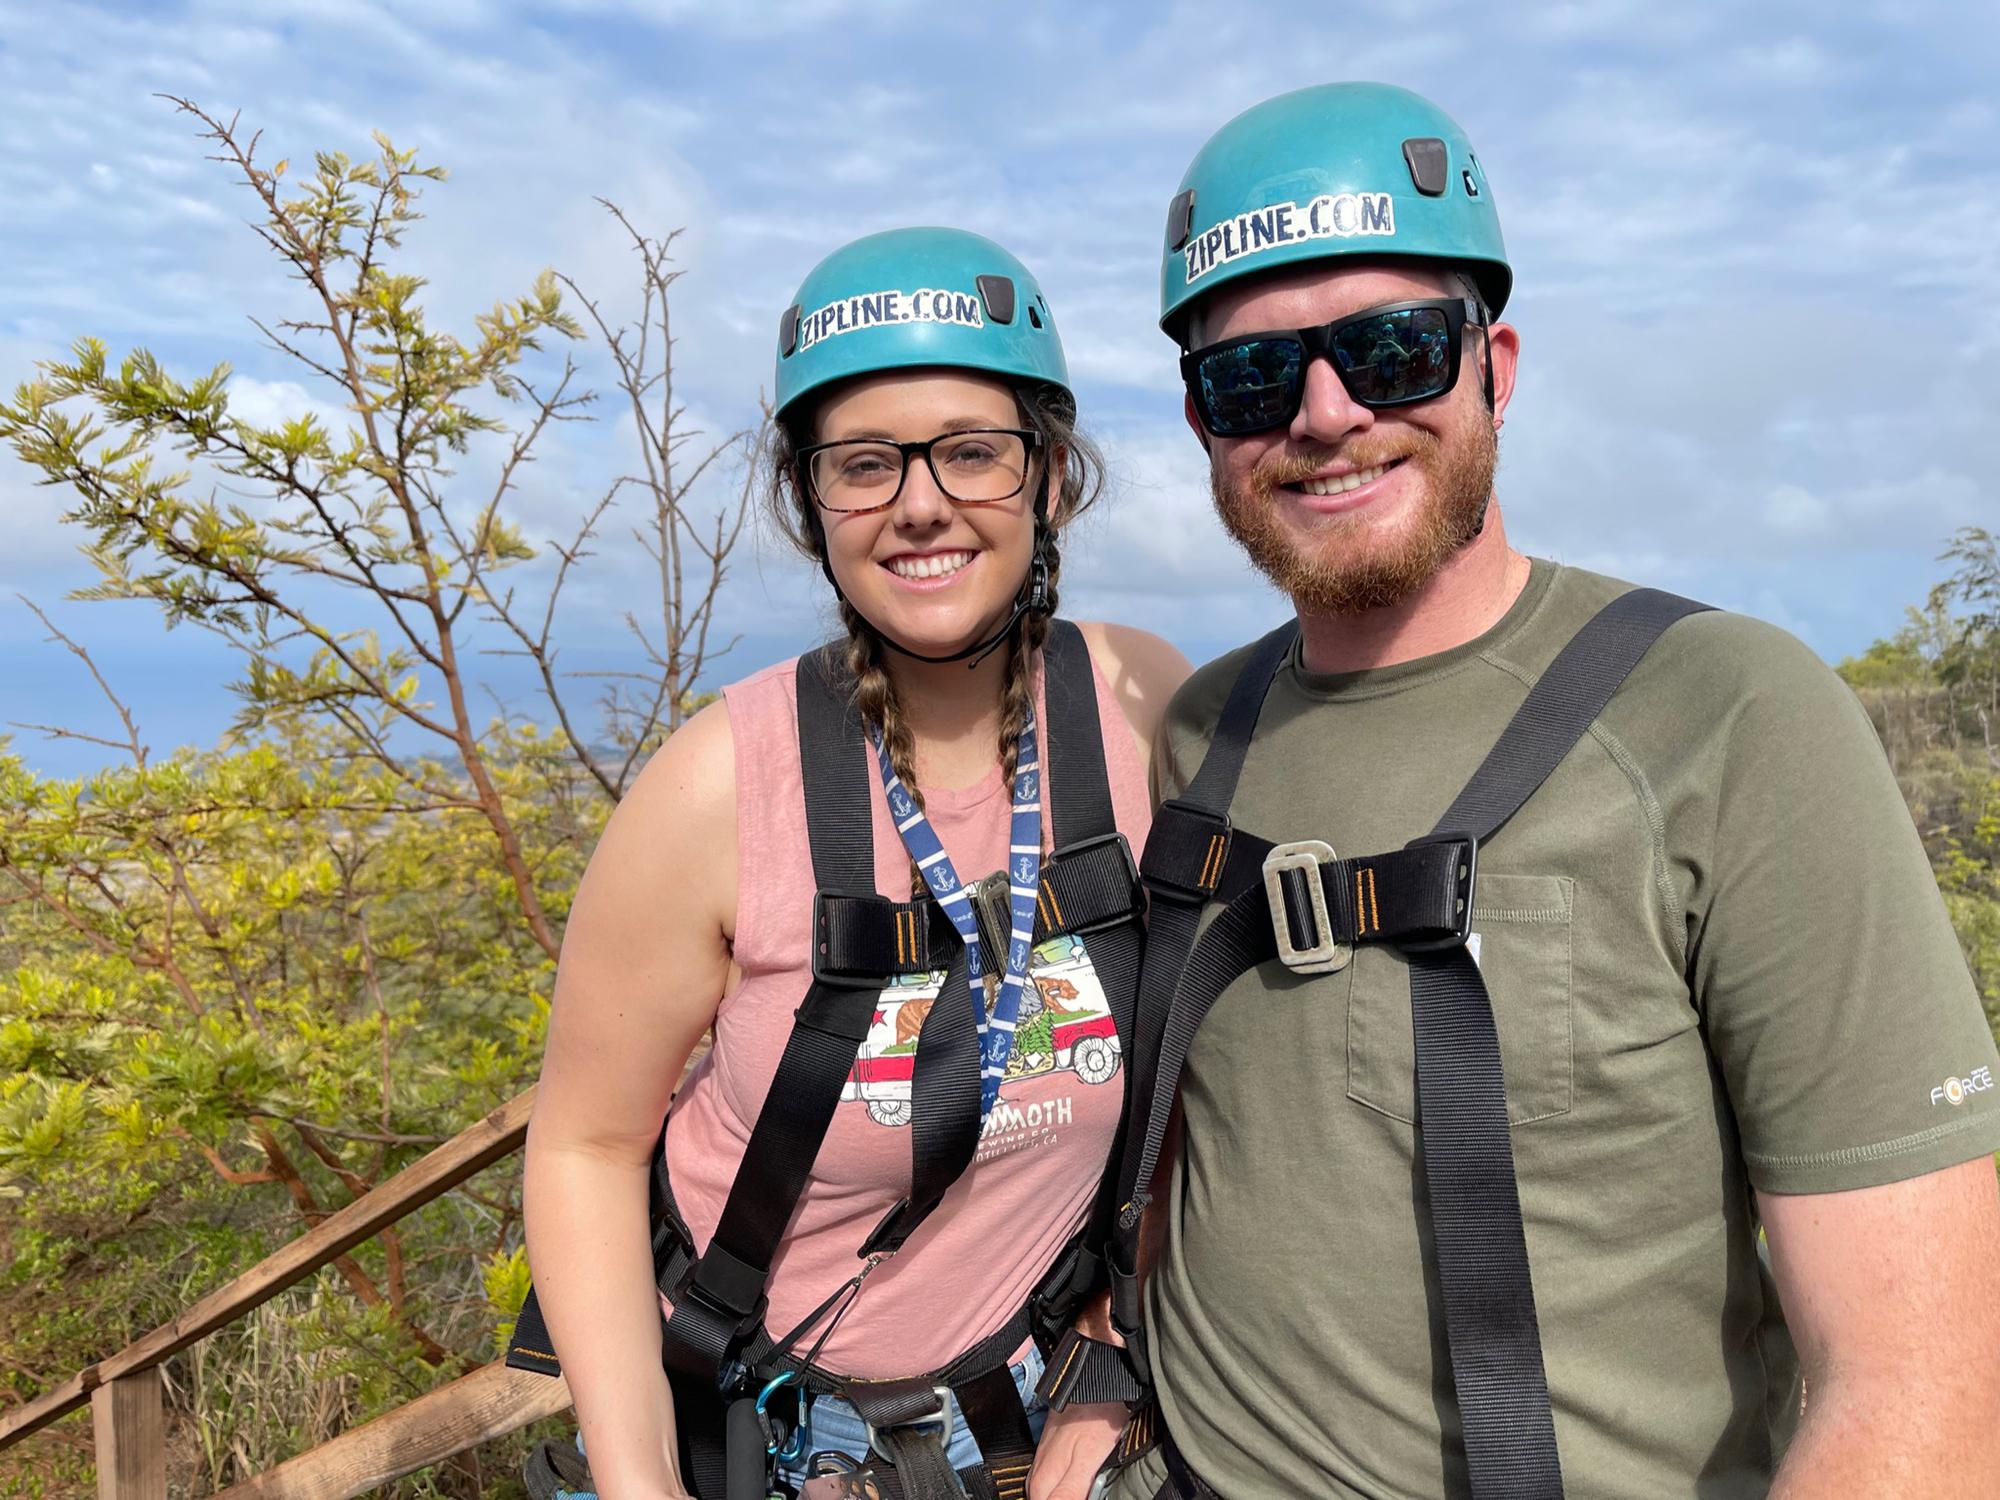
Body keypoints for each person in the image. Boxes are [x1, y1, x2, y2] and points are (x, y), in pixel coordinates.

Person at [1100, 83, 2000, 1499]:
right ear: (1203, 423)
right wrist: (1106, 1379)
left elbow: (1926, 1394)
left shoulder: (1730, 715)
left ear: (1494, 367)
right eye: (1251, 378)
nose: (1327, 415)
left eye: (1395, 351)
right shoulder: (1204, 732)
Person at [518, 227, 1189, 1500]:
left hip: (1040, 1417)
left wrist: (1112, 1359)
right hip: (770, 1428)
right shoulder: (719, 787)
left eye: (973, 452)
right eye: (864, 464)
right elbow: (585, 1147)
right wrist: (639, 1482)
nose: (920, 502)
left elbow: (1200, 1077)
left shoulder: (1135, 706)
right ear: (809, 500)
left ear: (1049, 481)